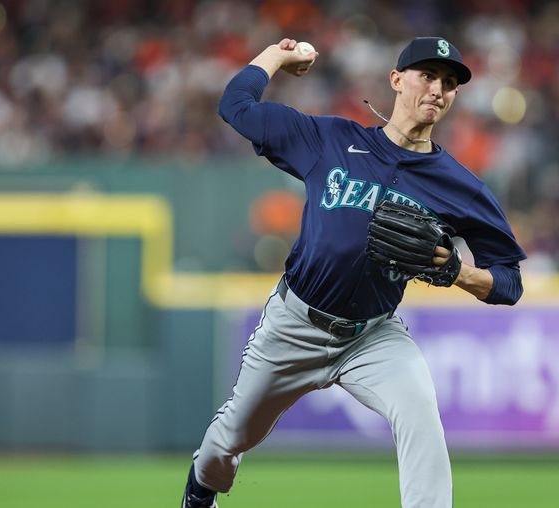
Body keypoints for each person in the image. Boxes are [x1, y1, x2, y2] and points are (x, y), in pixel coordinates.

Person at [182, 36, 527, 508]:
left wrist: (459, 273)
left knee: (420, 414)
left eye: (449, 83)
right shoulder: (330, 141)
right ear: (396, 80)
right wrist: (277, 56)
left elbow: (509, 282)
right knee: (229, 441)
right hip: (294, 324)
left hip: (373, 336)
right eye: (428, 75)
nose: (438, 89)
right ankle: (201, 491)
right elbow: (235, 104)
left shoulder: (460, 186)